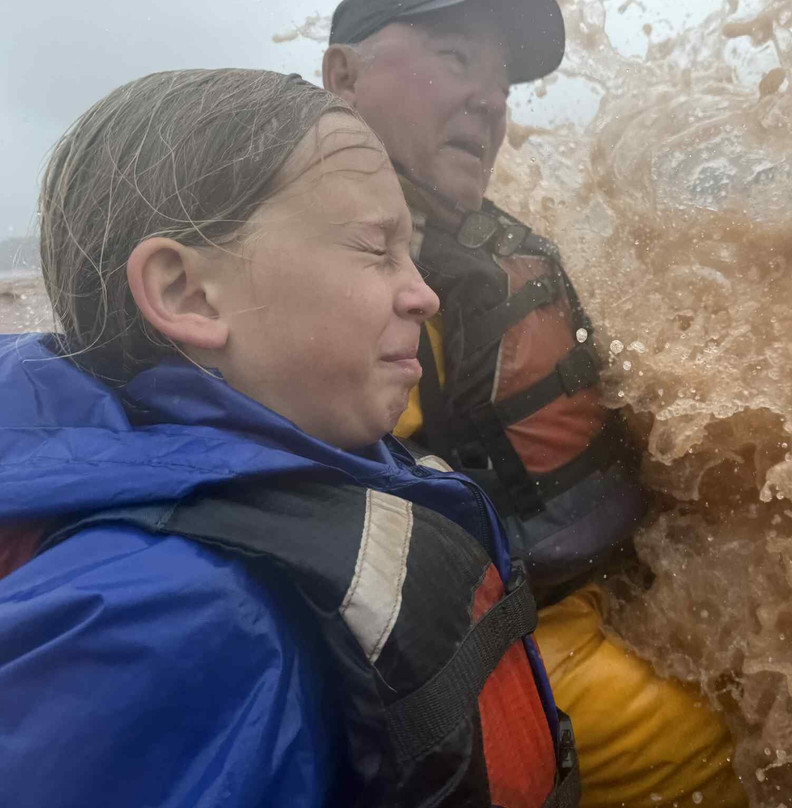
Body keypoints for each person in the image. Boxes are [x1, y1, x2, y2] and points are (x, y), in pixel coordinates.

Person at [0, 68, 579, 808]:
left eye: (415, 255)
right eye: (377, 250)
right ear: (187, 293)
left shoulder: (305, 463)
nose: (424, 293)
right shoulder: (162, 625)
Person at [321, 2, 747, 806]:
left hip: (598, 583)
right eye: (454, 59)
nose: (489, 97)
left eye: (501, 80)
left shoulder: (471, 237)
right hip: (516, 637)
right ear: (342, 77)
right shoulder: (345, 268)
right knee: (715, 738)